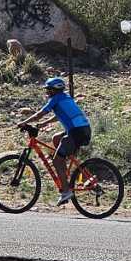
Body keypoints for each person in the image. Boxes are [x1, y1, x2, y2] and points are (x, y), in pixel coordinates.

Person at [18, 77, 91, 206]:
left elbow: (40, 113)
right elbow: (59, 115)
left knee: (56, 160)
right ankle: (65, 169)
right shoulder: (65, 98)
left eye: (49, 90)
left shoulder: (56, 99)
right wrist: (43, 124)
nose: (47, 92)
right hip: (81, 130)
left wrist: (24, 122)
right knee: (56, 138)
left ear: (54, 90)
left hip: (77, 132)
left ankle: (66, 191)